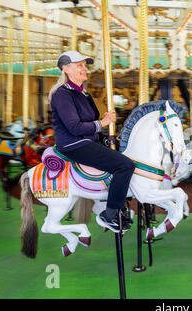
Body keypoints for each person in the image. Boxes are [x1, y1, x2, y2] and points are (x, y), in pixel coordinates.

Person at [49, 51, 135, 232]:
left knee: (125, 152)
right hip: (73, 144)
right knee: (125, 165)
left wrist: (105, 136)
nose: (84, 68)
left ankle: (116, 202)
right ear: (66, 69)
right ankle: (109, 215)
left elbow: (91, 124)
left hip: (87, 141)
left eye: (84, 65)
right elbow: (74, 127)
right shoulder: (62, 94)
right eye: (79, 65)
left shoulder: (84, 94)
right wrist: (102, 123)